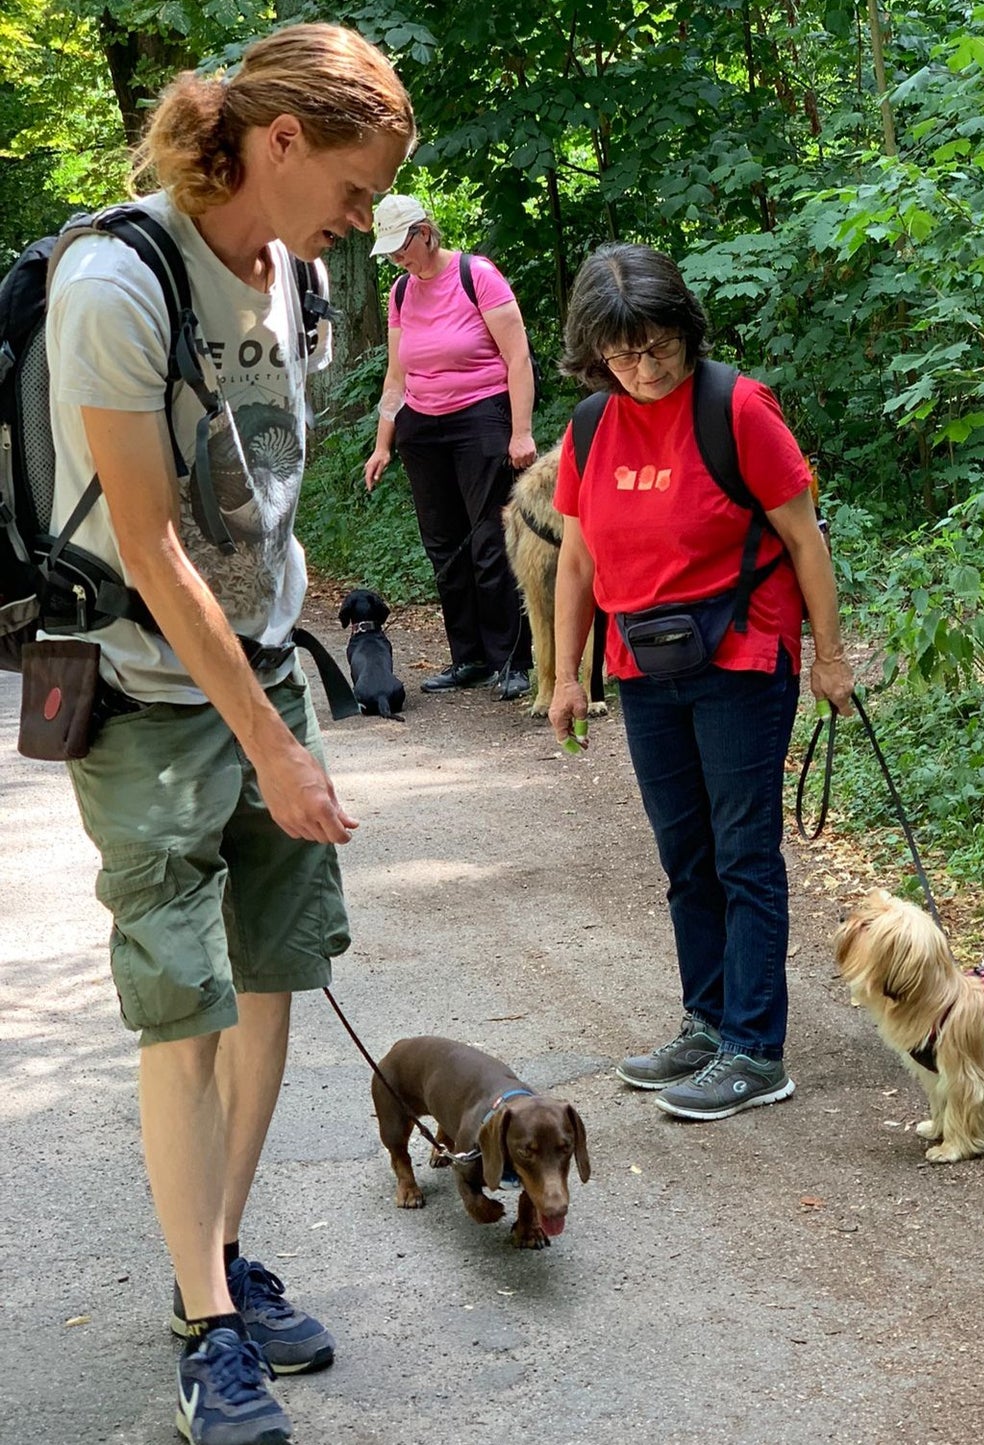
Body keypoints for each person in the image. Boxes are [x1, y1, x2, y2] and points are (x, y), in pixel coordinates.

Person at [43, 24, 413, 1445]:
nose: (361, 220)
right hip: (144, 693)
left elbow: (263, 499)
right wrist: (268, 741)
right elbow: (150, 540)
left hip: (266, 670)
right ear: (279, 142)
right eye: (357, 184)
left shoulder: (299, 275)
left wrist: (282, 711)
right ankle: (204, 1326)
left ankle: (221, 1254)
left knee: (275, 977)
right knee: (183, 1006)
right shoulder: (114, 281)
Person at [548, 243, 855, 1122]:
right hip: (643, 666)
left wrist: (828, 656)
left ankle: (755, 1049)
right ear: (592, 351)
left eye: (658, 348)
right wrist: (566, 676)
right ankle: (707, 1019)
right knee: (686, 858)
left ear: (685, 330)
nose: (641, 369)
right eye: (620, 353)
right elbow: (577, 557)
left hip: (742, 658)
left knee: (742, 853)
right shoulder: (590, 426)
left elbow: (804, 539)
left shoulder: (737, 408)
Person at [362, 193, 535, 699]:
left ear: (425, 232)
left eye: (402, 246)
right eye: (390, 251)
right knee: (444, 546)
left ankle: (511, 661)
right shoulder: (399, 292)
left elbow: (518, 357)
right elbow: (396, 376)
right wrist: (382, 444)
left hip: (481, 416)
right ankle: (469, 658)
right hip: (423, 426)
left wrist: (520, 431)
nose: (398, 258)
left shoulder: (475, 274)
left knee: (488, 543)